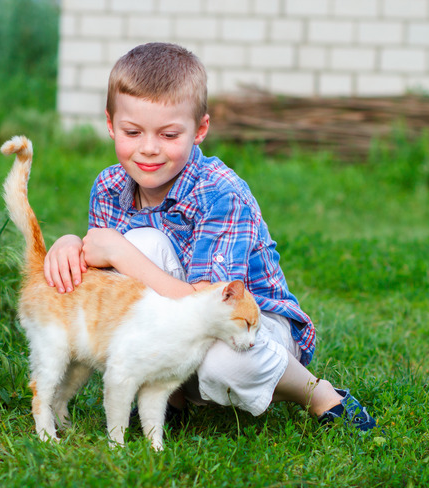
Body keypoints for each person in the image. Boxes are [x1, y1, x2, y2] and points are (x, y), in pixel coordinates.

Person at [43, 42, 376, 431]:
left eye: (168, 134)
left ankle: (315, 392)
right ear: (110, 123)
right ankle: (174, 397)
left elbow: (209, 304)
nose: (148, 149)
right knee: (138, 252)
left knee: (223, 362)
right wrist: (73, 244)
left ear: (199, 129)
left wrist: (117, 249)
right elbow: (109, 281)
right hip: (183, 326)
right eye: (132, 132)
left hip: (250, 328)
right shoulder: (108, 186)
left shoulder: (220, 192)